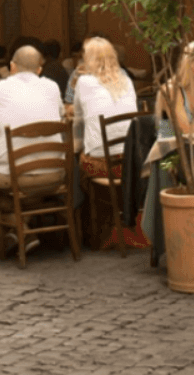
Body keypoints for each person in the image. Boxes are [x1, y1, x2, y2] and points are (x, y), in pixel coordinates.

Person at [71, 37, 150, 249]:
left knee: (75, 166)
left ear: (88, 59)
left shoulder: (84, 83)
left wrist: (77, 148)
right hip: (132, 162)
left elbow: (78, 121)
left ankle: (87, 233)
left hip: (104, 165)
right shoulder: (126, 79)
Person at [0, 47, 64, 224]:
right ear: (39, 69)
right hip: (54, 175)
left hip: (15, 178)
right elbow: (61, 118)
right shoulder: (52, 87)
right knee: (30, 189)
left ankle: (18, 226)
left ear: (12, 66)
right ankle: (27, 220)